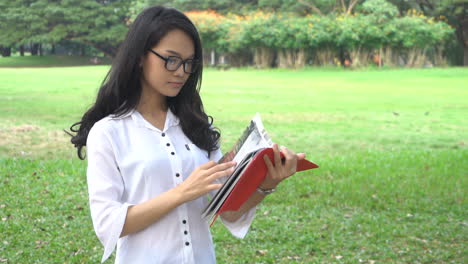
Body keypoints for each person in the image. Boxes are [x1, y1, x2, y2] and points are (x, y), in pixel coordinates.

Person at [69, 5, 305, 264]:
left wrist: (266, 184)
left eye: (188, 63)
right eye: (171, 59)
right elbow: (107, 225)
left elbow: (227, 212)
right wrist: (182, 192)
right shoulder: (108, 132)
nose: (181, 71)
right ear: (139, 56)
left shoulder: (195, 127)